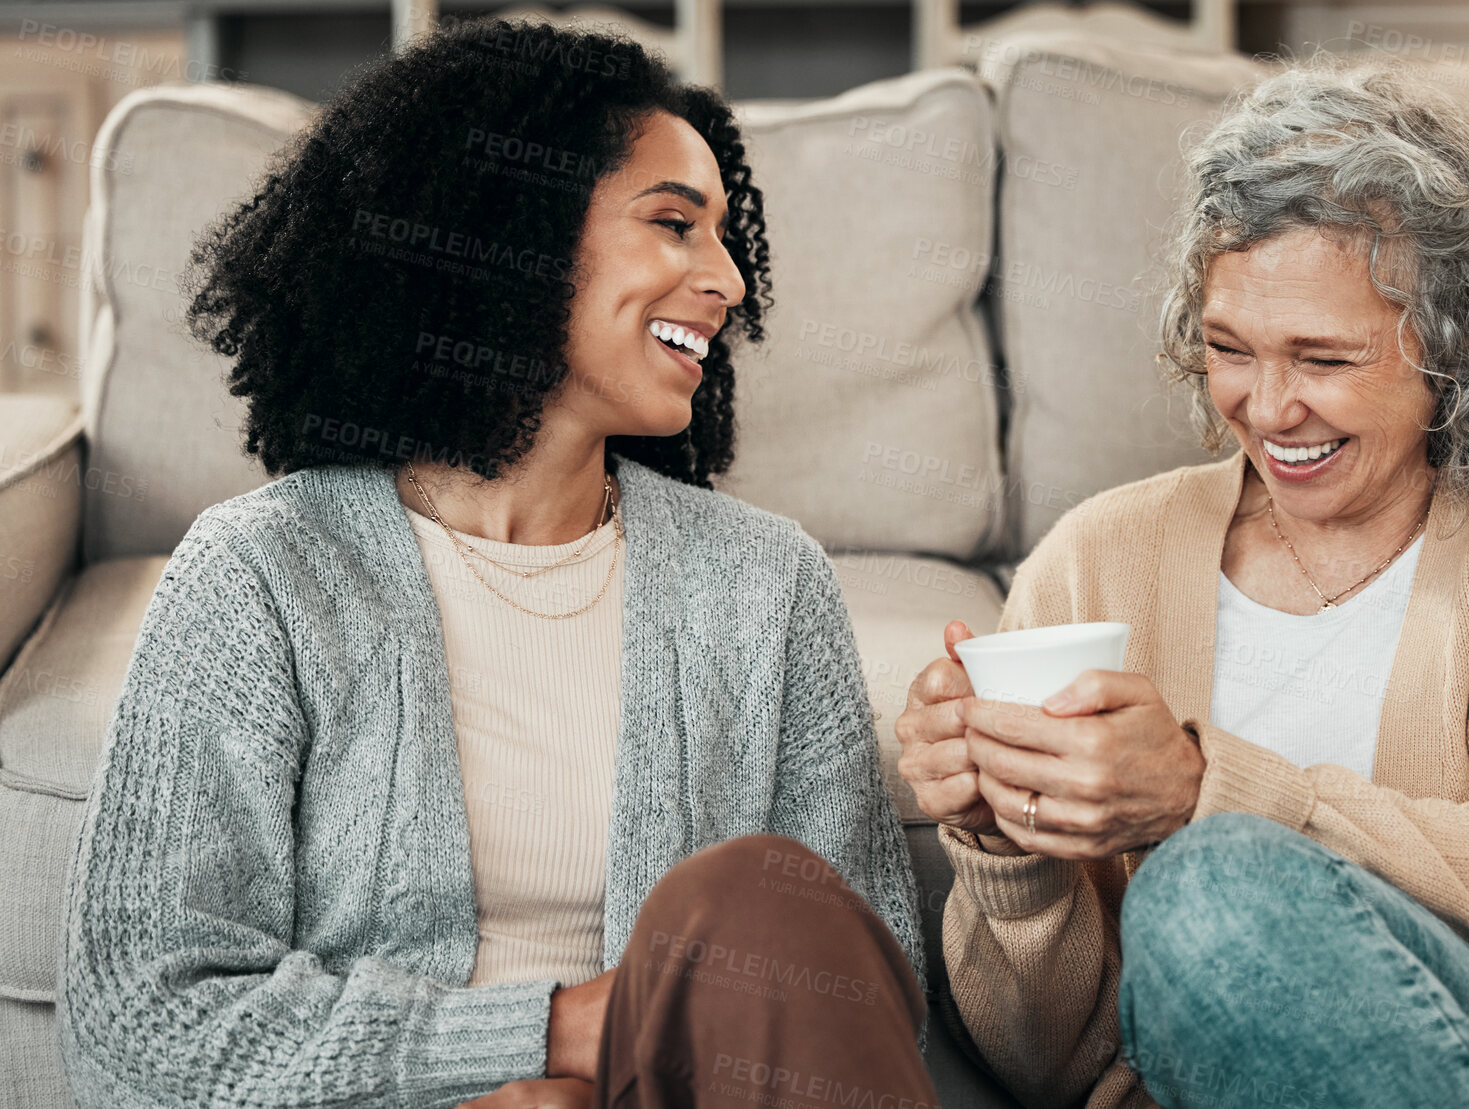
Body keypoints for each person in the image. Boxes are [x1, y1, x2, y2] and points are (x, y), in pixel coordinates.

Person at [56, 19, 934, 1109]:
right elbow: (140, 1019)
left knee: (758, 898)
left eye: (723, 239)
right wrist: (552, 1034)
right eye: (673, 225)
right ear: (502, 233)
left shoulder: (765, 582)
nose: (727, 282)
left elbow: (860, 988)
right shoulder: (260, 574)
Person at [896, 58, 1469, 1109]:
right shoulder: (1094, 560)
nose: (1269, 408)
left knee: (1209, 885)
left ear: (1454, 345)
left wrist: (1200, 790)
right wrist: (1007, 838)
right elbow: (1052, 1063)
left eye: (1322, 360)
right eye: (1230, 348)